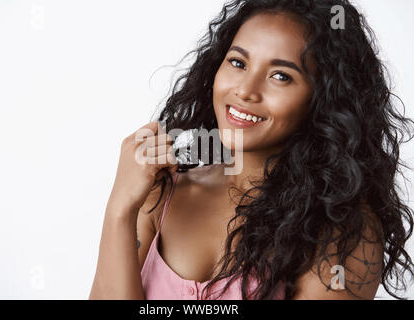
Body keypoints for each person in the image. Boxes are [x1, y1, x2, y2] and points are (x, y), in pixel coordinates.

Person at [89, 0, 414, 300]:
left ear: (324, 99)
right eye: (238, 62)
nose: (245, 90)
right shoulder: (162, 192)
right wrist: (119, 209)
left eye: (281, 76)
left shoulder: (340, 231)